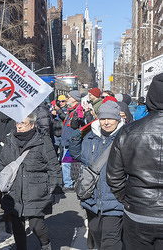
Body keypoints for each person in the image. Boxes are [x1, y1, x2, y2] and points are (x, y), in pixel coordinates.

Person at [0, 112, 62, 250]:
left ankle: (45, 244)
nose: (19, 126)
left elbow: (53, 166)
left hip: (36, 190)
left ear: (32, 124)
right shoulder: (10, 139)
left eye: (23, 123)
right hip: (14, 190)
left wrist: (56, 187)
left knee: (36, 225)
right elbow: (1, 163)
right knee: (17, 225)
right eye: (17, 123)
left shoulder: (42, 140)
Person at [107, 73, 163, 249]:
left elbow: (114, 177)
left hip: (138, 213)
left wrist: (128, 200)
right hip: (137, 209)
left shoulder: (128, 131)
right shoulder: (128, 132)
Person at [69, 101, 124, 250]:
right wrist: (75, 140)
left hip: (115, 199)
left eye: (110, 118)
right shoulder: (90, 136)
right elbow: (78, 155)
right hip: (91, 198)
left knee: (110, 240)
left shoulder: (126, 137)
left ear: (118, 119)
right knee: (97, 235)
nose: (106, 122)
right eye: (103, 118)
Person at [57, 90, 85, 190]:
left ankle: (68, 184)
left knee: (66, 164)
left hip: (71, 142)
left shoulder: (78, 110)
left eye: (69, 97)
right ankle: (70, 183)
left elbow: (75, 125)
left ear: (75, 99)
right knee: (68, 164)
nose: (67, 99)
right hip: (68, 141)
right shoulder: (71, 110)